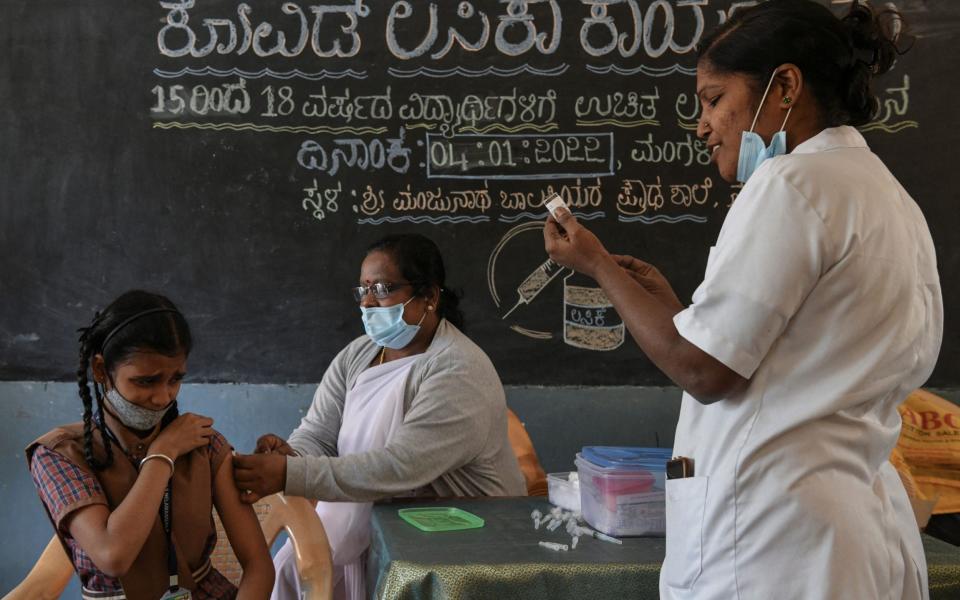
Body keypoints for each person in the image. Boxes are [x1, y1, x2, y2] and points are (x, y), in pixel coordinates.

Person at [542, 1, 941, 599]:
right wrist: (681, 312)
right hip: (848, 533)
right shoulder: (886, 195)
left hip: (771, 541)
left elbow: (703, 369)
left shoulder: (789, 184)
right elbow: (782, 357)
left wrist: (597, 264)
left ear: (784, 86)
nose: (702, 125)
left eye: (713, 98)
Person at [233, 233, 526, 600]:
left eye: (384, 289)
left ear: (430, 297)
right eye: (363, 290)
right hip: (382, 536)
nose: (369, 302)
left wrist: (290, 474)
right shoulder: (361, 353)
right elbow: (319, 434)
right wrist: (290, 455)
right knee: (291, 571)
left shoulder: (459, 370)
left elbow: (399, 468)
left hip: (459, 553)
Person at [26, 290, 275, 600]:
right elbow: (112, 555)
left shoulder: (204, 444)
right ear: (102, 370)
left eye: (175, 379)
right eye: (146, 381)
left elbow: (258, 566)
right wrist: (162, 454)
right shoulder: (59, 454)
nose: (163, 396)